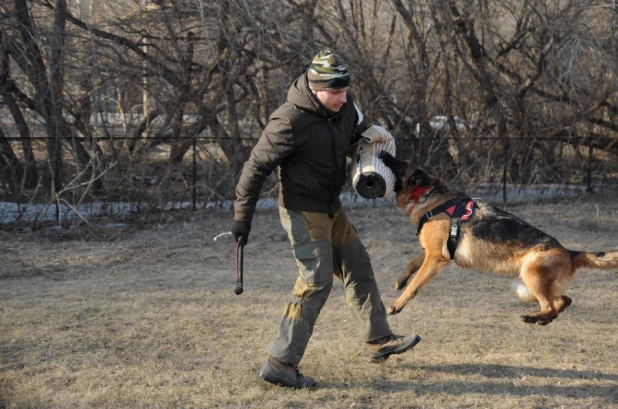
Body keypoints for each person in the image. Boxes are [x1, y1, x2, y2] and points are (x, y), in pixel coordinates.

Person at [231, 50, 421, 389]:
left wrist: (370, 139)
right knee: (316, 279)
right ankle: (280, 362)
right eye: (336, 92)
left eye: (346, 91)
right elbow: (255, 167)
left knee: (358, 264)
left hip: (331, 206)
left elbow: (356, 134)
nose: (343, 99)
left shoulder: (344, 109)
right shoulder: (289, 120)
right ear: (316, 88)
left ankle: (379, 339)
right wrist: (242, 218)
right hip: (303, 209)